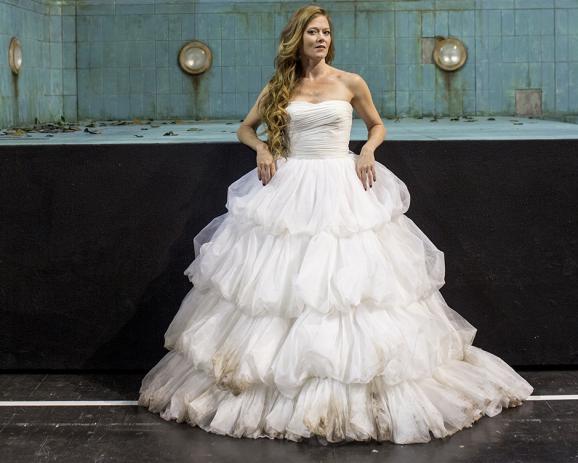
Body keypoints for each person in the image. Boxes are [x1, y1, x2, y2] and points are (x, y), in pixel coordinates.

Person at [139, 4, 534, 444]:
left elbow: (377, 124)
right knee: (282, 288)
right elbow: (246, 129)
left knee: (347, 289)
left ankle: (355, 390)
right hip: (291, 185)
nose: (322, 38)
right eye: (313, 32)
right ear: (298, 38)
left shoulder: (350, 82)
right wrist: (262, 150)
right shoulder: (280, 85)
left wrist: (367, 150)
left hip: (341, 183)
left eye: (326, 32)